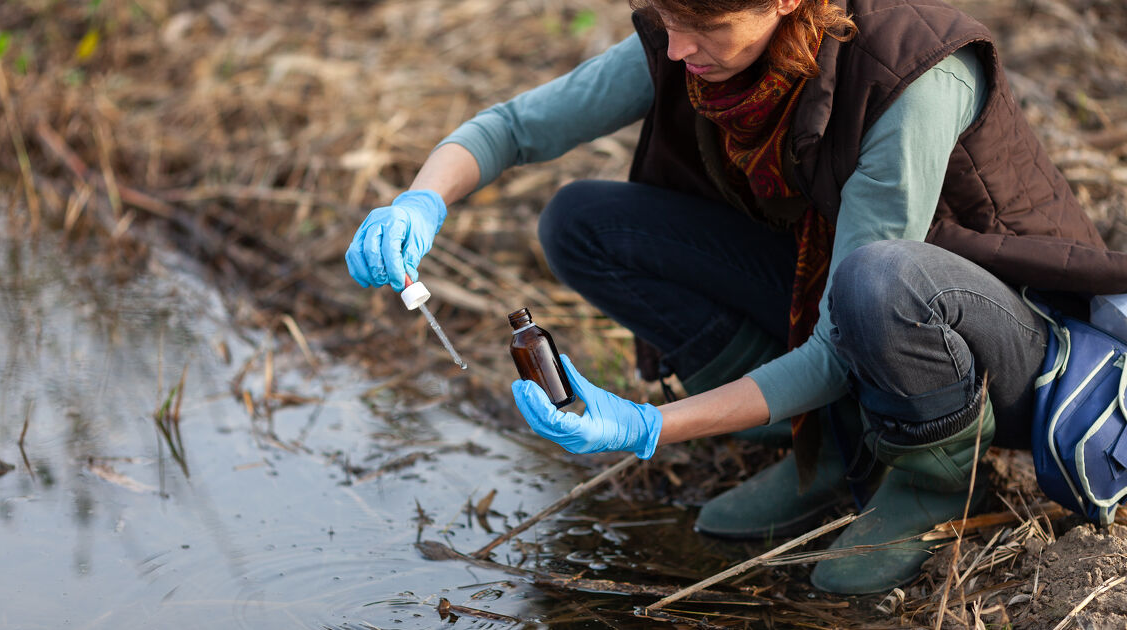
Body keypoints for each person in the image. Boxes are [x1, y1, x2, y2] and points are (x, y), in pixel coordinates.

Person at [345, 0, 1127, 594]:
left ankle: (936, 478)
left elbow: (840, 338)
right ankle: (826, 439)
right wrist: (420, 201)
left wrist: (651, 426)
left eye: (704, 27)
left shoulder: (913, 72)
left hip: (1007, 351)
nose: (678, 49)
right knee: (583, 223)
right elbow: (516, 128)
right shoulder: (690, 39)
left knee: (875, 279)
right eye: (671, 20)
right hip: (855, 311)